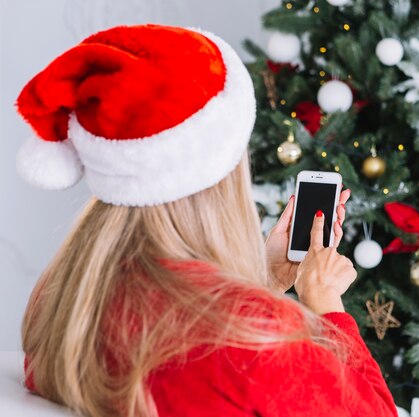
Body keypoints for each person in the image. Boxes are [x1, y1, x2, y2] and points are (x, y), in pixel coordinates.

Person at [14, 24, 398, 417]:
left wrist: (261, 281)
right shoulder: (257, 337)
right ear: (220, 173)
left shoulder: (66, 296)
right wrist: (325, 302)